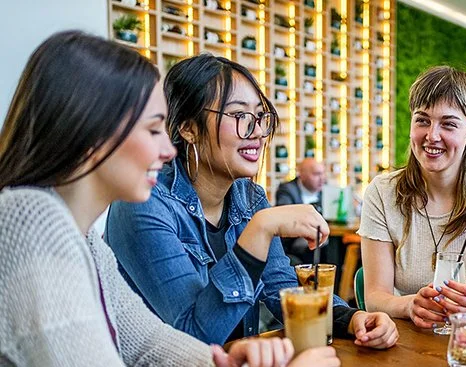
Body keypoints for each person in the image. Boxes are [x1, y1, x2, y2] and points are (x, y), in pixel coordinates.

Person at [0, 31, 346, 367]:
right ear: (90, 130)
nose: (166, 151)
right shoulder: (29, 222)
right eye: (152, 129)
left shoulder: (80, 237)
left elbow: (148, 344)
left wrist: (220, 363)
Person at [105, 54, 397, 350]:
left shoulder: (248, 197)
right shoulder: (143, 204)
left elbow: (281, 287)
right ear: (188, 127)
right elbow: (192, 337)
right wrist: (259, 230)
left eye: (260, 117)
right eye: (239, 116)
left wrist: (351, 318)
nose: (257, 132)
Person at [359, 66, 466, 327]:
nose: (432, 136)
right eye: (422, 120)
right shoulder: (382, 191)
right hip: (408, 339)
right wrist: (409, 304)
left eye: (448, 124)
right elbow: (375, 297)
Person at [275, 158, 327, 265]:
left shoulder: (325, 191)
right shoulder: (287, 190)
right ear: (301, 174)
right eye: (316, 174)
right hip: (293, 242)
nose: (322, 179)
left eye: (323, 173)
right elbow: (286, 217)